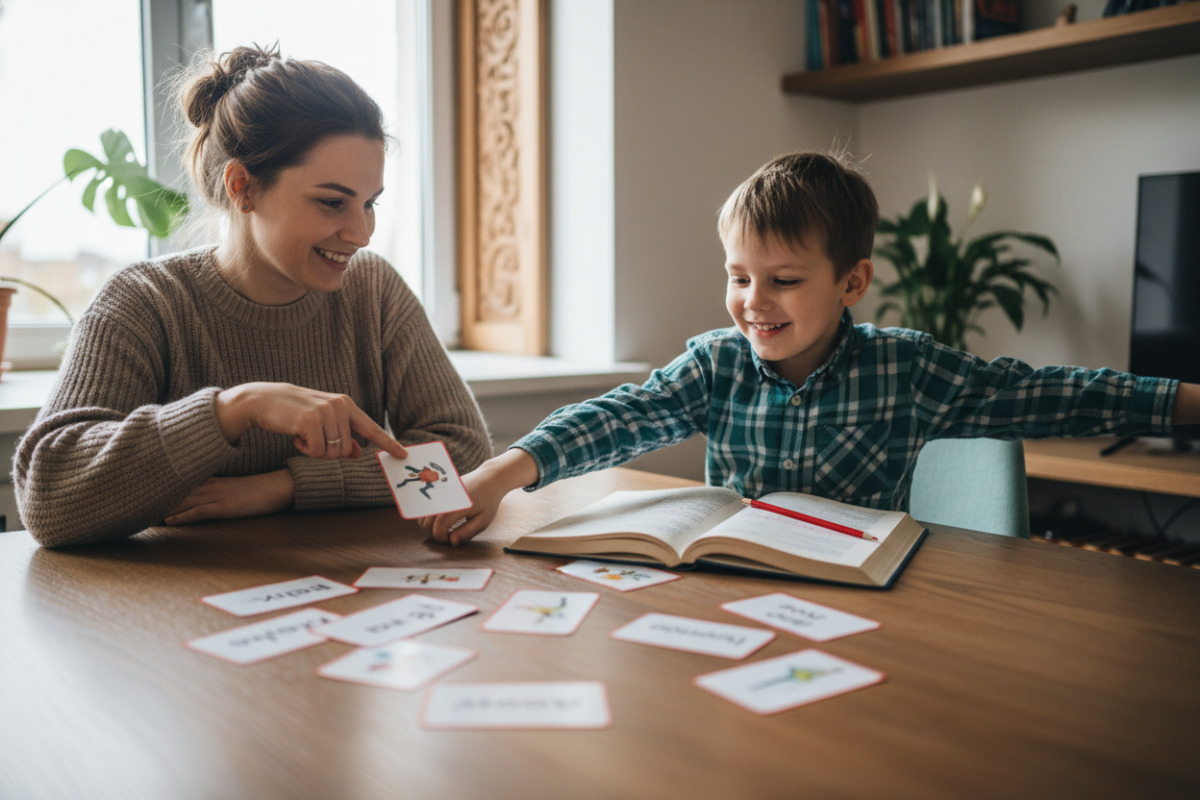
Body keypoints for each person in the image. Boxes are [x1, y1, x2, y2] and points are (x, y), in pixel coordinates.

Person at [422, 150, 1200, 546]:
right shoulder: (716, 362)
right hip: (730, 588)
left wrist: (1186, 401)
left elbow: (1048, 392)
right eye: (738, 276)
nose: (753, 303)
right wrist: (496, 477)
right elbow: (619, 417)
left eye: (784, 280)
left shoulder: (906, 367)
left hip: (859, 597)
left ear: (851, 281)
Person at [14, 45, 491, 547]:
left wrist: (285, 487)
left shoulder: (373, 289)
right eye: (332, 202)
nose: (361, 232)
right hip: (174, 603)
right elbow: (49, 498)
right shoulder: (144, 301)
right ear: (243, 187)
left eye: (369, 203)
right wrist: (236, 408)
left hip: (337, 588)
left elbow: (465, 454)